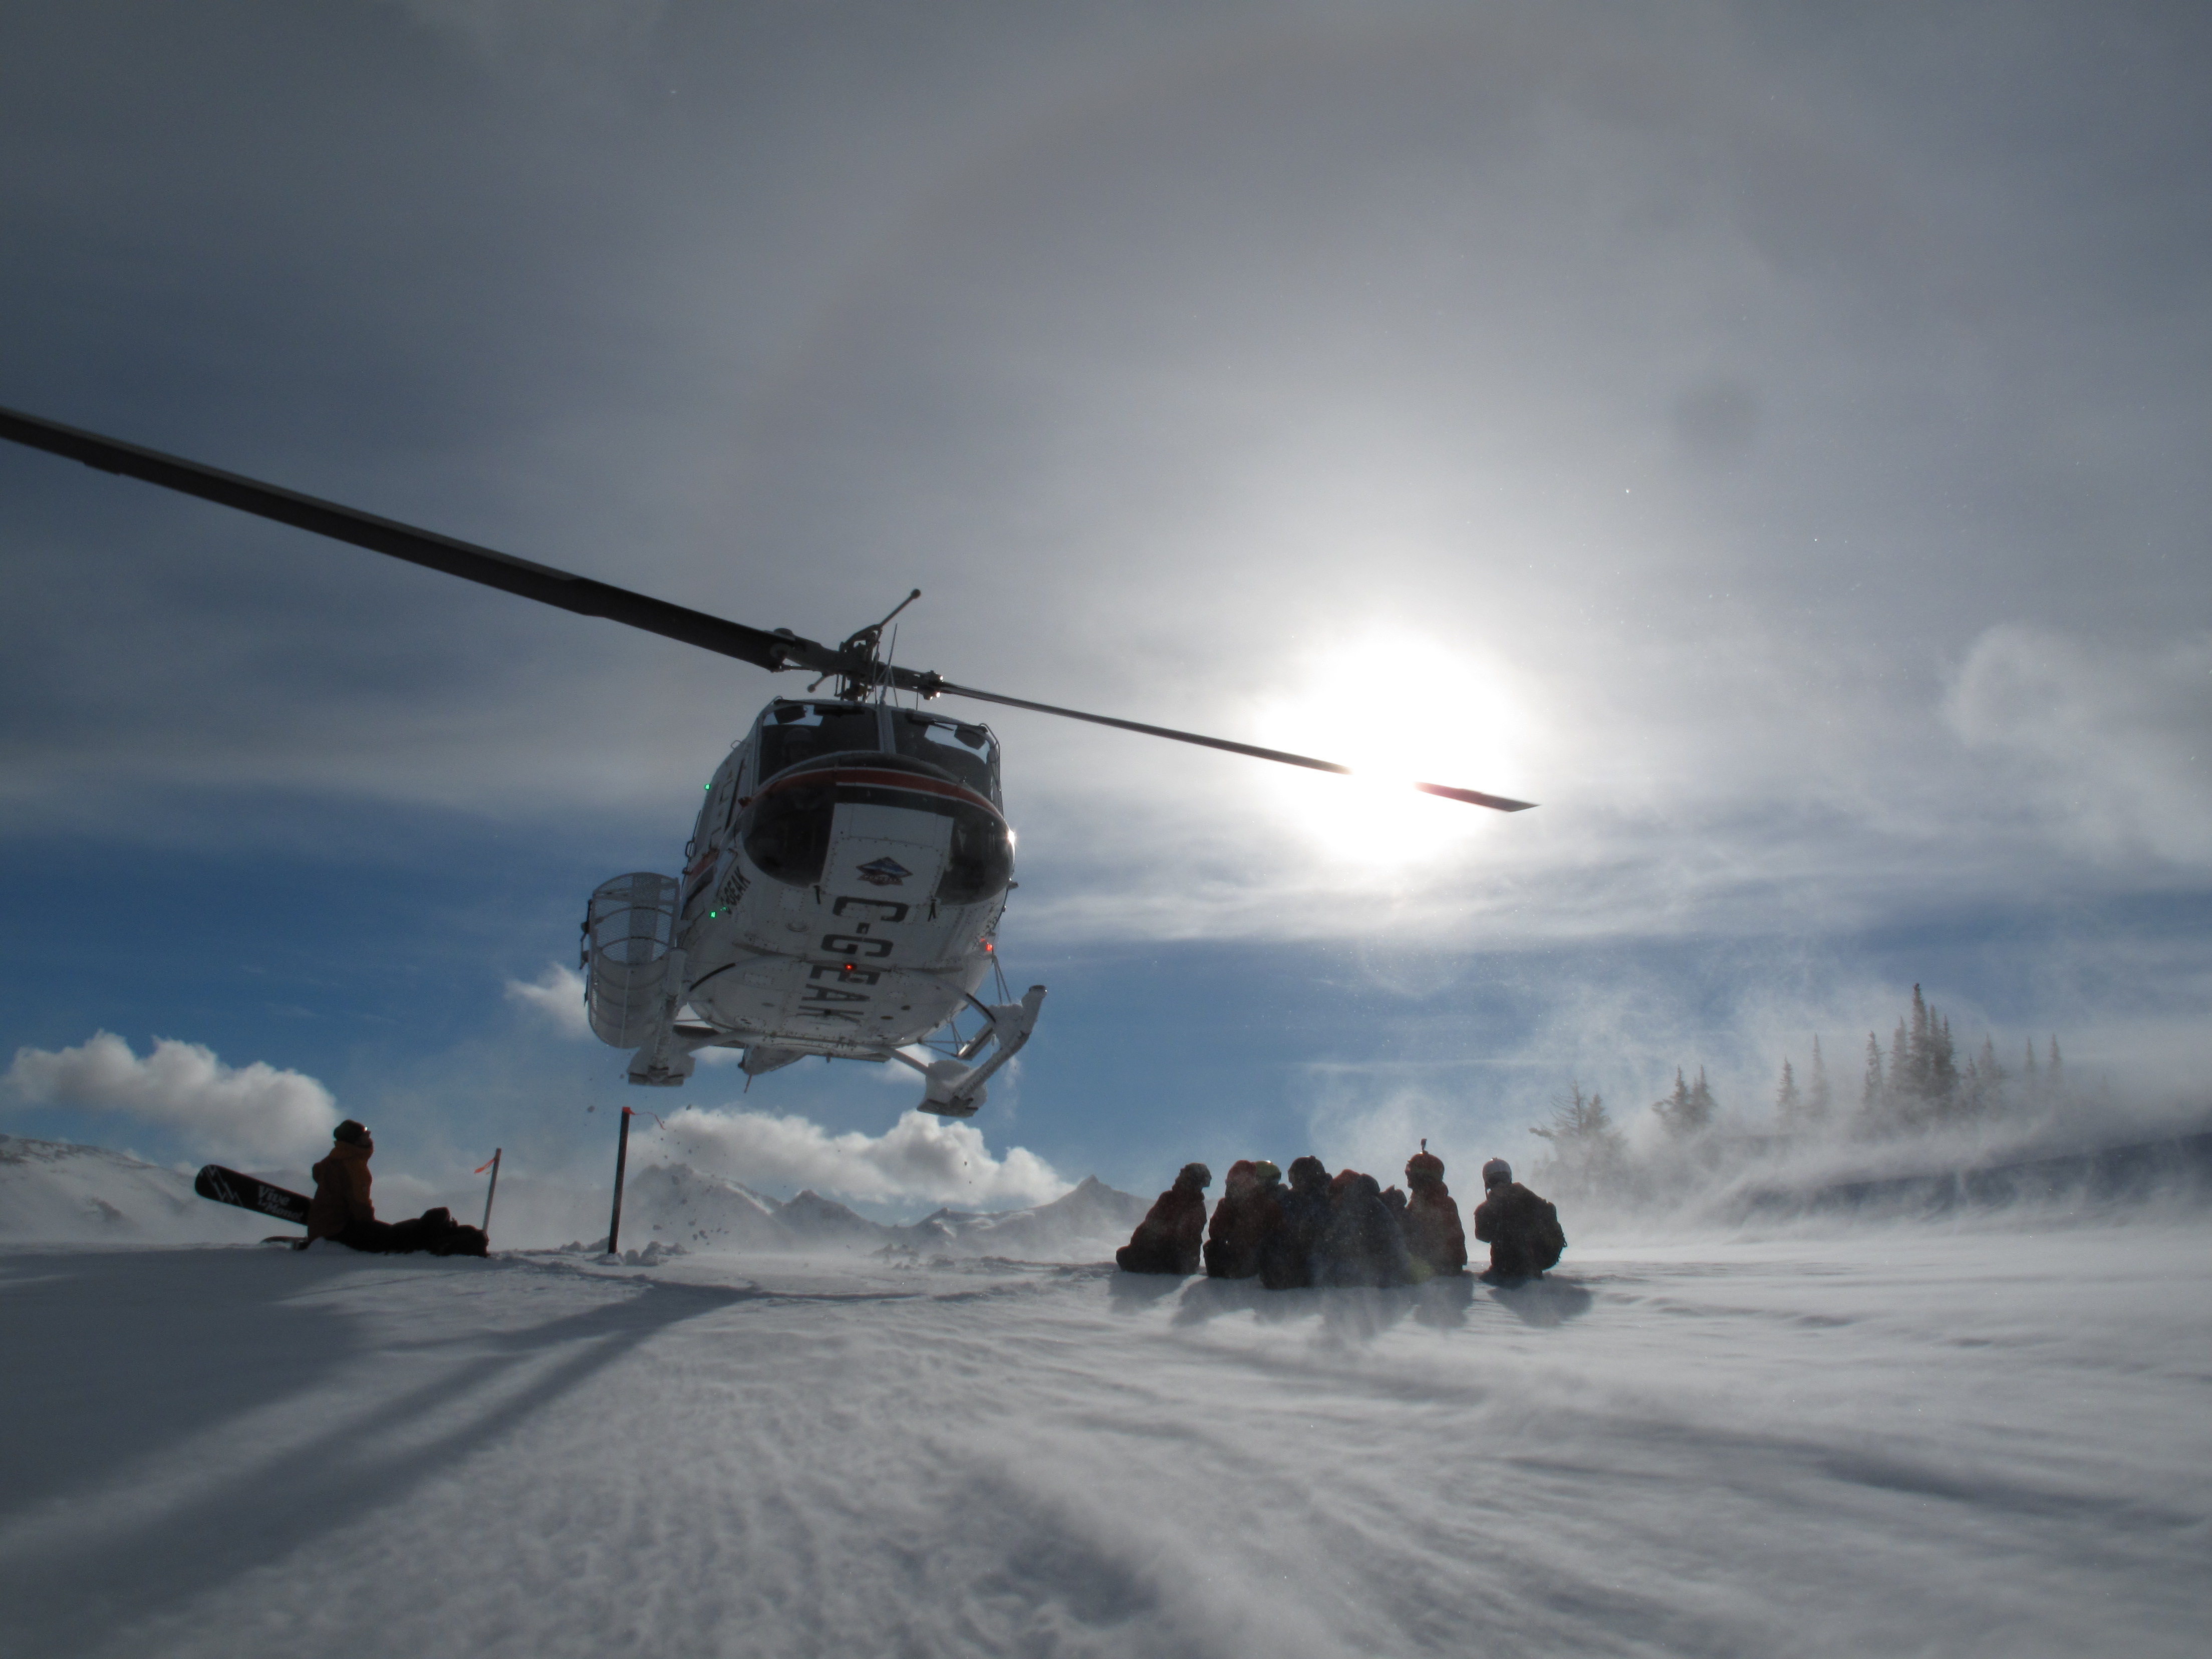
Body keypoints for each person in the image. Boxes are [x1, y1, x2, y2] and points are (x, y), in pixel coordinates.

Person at [307, 1120, 489, 1256]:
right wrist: (371, 1228)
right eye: (364, 1134)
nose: (369, 1136)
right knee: (393, 1239)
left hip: (322, 1226)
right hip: (337, 1229)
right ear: (355, 1141)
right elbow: (360, 1207)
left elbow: (318, 1173)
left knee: (394, 1233)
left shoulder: (334, 1159)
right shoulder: (354, 1166)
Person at [1314, 1169, 1415, 1288]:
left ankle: (1322, 1291)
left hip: (1382, 1273)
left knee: (1321, 1262)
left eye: (1333, 1196)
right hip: (1392, 1267)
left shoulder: (1356, 1206)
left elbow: (1349, 1243)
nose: (1331, 1203)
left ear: (1343, 1192)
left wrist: (1326, 1241)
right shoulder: (1369, 1202)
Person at [1471, 1157, 1565, 1280]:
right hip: (1543, 1260)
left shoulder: (1488, 1208)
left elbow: (1483, 1236)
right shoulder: (1528, 1197)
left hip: (1507, 1267)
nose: (1499, 1184)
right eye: (1497, 1180)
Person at [1115, 1162, 1211, 1275]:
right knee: (1125, 1255)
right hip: (1181, 1260)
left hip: (1176, 1261)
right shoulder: (1188, 1203)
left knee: (1125, 1256)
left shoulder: (1189, 1205)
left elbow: (1156, 1227)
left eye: (1183, 1172)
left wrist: (1146, 1242)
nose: (1179, 1174)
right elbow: (1151, 1224)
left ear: (1189, 1178)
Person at [1259, 1155, 1331, 1289]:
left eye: (1296, 1178)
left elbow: (1322, 1229)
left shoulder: (1323, 1199)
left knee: (1315, 1269)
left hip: (1318, 1252)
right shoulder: (1291, 1198)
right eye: (1291, 1177)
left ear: (1309, 1179)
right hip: (1294, 1249)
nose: (1292, 1182)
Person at [1204, 1160, 1283, 1279]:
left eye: (1241, 1181)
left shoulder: (1265, 1203)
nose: (1235, 1185)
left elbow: (1278, 1231)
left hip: (1258, 1258)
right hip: (1235, 1256)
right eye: (1231, 1182)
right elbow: (1216, 1233)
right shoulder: (1227, 1204)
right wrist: (1229, 1206)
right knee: (1212, 1247)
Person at [1401, 1144, 1469, 1277]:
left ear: (1422, 1176)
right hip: (1442, 1267)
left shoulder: (1434, 1203)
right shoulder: (1426, 1200)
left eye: (1412, 1173)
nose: (1408, 1177)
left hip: (1441, 1271)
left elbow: (1423, 1238)